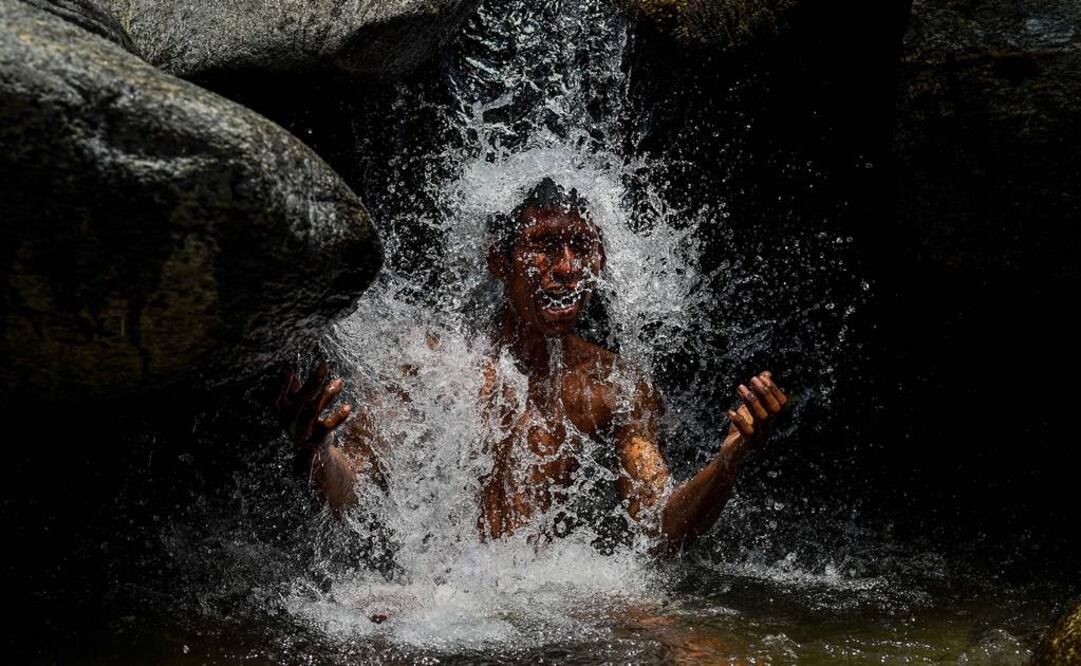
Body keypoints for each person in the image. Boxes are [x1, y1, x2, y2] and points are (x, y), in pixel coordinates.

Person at [272, 178, 788, 553]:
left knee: (692, 647)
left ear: (599, 260)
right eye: (543, 246)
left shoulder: (613, 386)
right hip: (443, 598)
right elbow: (353, 496)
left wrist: (728, 465)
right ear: (500, 260)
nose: (565, 268)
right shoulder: (431, 365)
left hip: (552, 596)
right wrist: (317, 451)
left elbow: (656, 528)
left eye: (580, 246)